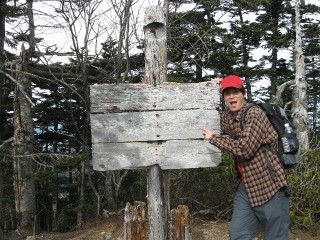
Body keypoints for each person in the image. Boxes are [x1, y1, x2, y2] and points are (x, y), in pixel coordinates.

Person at [201, 75, 290, 240]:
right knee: (238, 234)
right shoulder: (230, 118)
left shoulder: (255, 114)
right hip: (246, 188)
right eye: (227, 93)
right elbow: (210, 114)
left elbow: (245, 149)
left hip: (270, 187)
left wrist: (213, 138)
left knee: (276, 237)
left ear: (244, 94)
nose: (231, 96)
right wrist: (211, 88)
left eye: (235, 92)